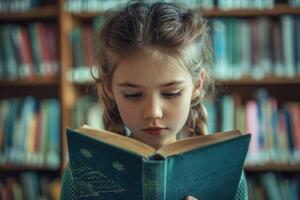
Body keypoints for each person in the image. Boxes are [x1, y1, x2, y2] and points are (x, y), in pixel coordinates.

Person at [60, 1, 248, 200]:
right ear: (108, 87)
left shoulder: (228, 174)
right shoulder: (79, 174)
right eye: (133, 95)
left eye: (171, 93)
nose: (153, 112)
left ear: (196, 85)